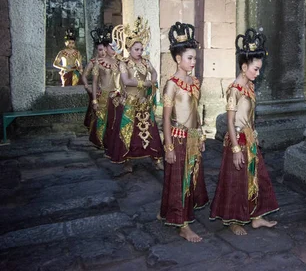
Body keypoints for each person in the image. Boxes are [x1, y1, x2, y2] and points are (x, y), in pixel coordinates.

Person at [210, 28, 279, 236]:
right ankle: (233, 220)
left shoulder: (249, 86)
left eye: (259, 69)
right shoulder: (234, 89)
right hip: (237, 139)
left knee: (255, 176)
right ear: (243, 67)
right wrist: (236, 148)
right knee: (235, 180)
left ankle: (256, 217)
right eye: (255, 69)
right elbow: (230, 121)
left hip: (249, 138)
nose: (258, 73)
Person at [159, 22, 209, 242]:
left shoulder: (194, 82)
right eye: (190, 58)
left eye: (194, 58)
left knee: (189, 178)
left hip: (192, 137)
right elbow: (166, 118)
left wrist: (200, 135)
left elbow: (195, 112)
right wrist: (168, 146)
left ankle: (167, 212)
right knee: (179, 180)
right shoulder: (172, 84)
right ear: (178, 59)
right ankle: (183, 224)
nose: (193, 61)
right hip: (177, 139)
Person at [104, 17, 163, 172]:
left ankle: (156, 159)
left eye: (141, 49)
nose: (139, 52)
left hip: (144, 101)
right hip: (130, 101)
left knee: (151, 130)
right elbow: (126, 81)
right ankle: (127, 161)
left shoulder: (145, 62)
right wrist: (146, 83)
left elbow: (154, 72)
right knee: (127, 131)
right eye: (136, 49)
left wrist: (154, 81)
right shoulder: (123, 63)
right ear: (129, 49)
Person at [89, 26, 119, 149]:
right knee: (102, 120)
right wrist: (94, 100)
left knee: (115, 120)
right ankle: (101, 142)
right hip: (103, 95)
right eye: (109, 46)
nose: (111, 49)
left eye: (112, 46)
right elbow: (94, 82)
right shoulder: (98, 63)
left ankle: (114, 142)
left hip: (117, 95)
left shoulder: (118, 62)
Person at [83, 28, 107, 129]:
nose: (103, 52)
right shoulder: (93, 62)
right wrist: (86, 86)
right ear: (97, 50)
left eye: (105, 49)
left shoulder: (112, 61)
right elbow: (84, 75)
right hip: (97, 90)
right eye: (100, 50)